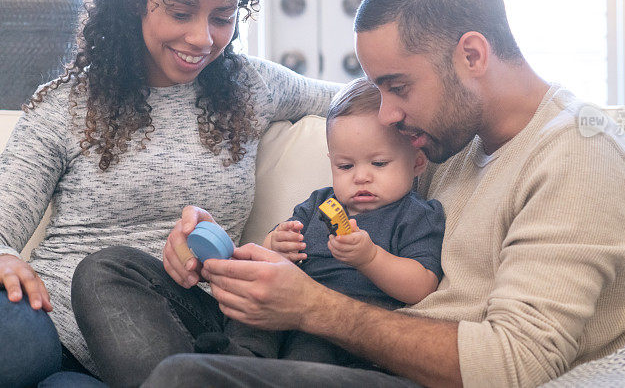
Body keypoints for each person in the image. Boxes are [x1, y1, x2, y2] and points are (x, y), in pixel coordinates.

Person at [78, 0, 625, 388]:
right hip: (344, 341)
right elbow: (344, 211)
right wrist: (223, 255)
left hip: (403, 374)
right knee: (109, 273)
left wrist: (313, 308)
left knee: (187, 379)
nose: (387, 113)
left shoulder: (578, 154)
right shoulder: (450, 142)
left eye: (397, 86)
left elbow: (515, 364)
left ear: (472, 55)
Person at [0, 0, 338, 387]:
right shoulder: (65, 105)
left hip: (184, 335)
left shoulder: (251, 86)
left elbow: (355, 102)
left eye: (221, 17)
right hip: (56, 336)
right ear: (137, 1)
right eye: (181, 12)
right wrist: (6, 257)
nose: (202, 38)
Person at [83, 77, 445, 377]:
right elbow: (273, 258)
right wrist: (275, 243)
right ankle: (236, 362)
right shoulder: (318, 204)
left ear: (417, 163)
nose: (361, 177)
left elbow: (421, 285)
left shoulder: (415, 215)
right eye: (345, 166)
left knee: (311, 348)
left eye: (379, 163)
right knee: (248, 311)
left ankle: (222, 372)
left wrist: (370, 258)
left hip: (336, 335)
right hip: (273, 318)